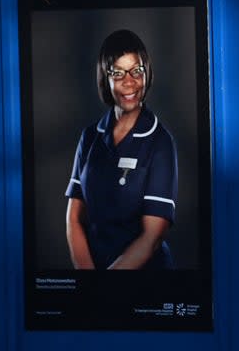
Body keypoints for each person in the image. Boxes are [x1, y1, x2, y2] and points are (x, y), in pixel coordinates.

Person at [65, 29, 178, 270]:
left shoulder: (160, 142)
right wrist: (89, 282)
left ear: (146, 72)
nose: (130, 81)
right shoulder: (90, 137)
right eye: (118, 73)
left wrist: (107, 286)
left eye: (137, 70)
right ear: (105, 78)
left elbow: (152, 237)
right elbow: (74, 217)